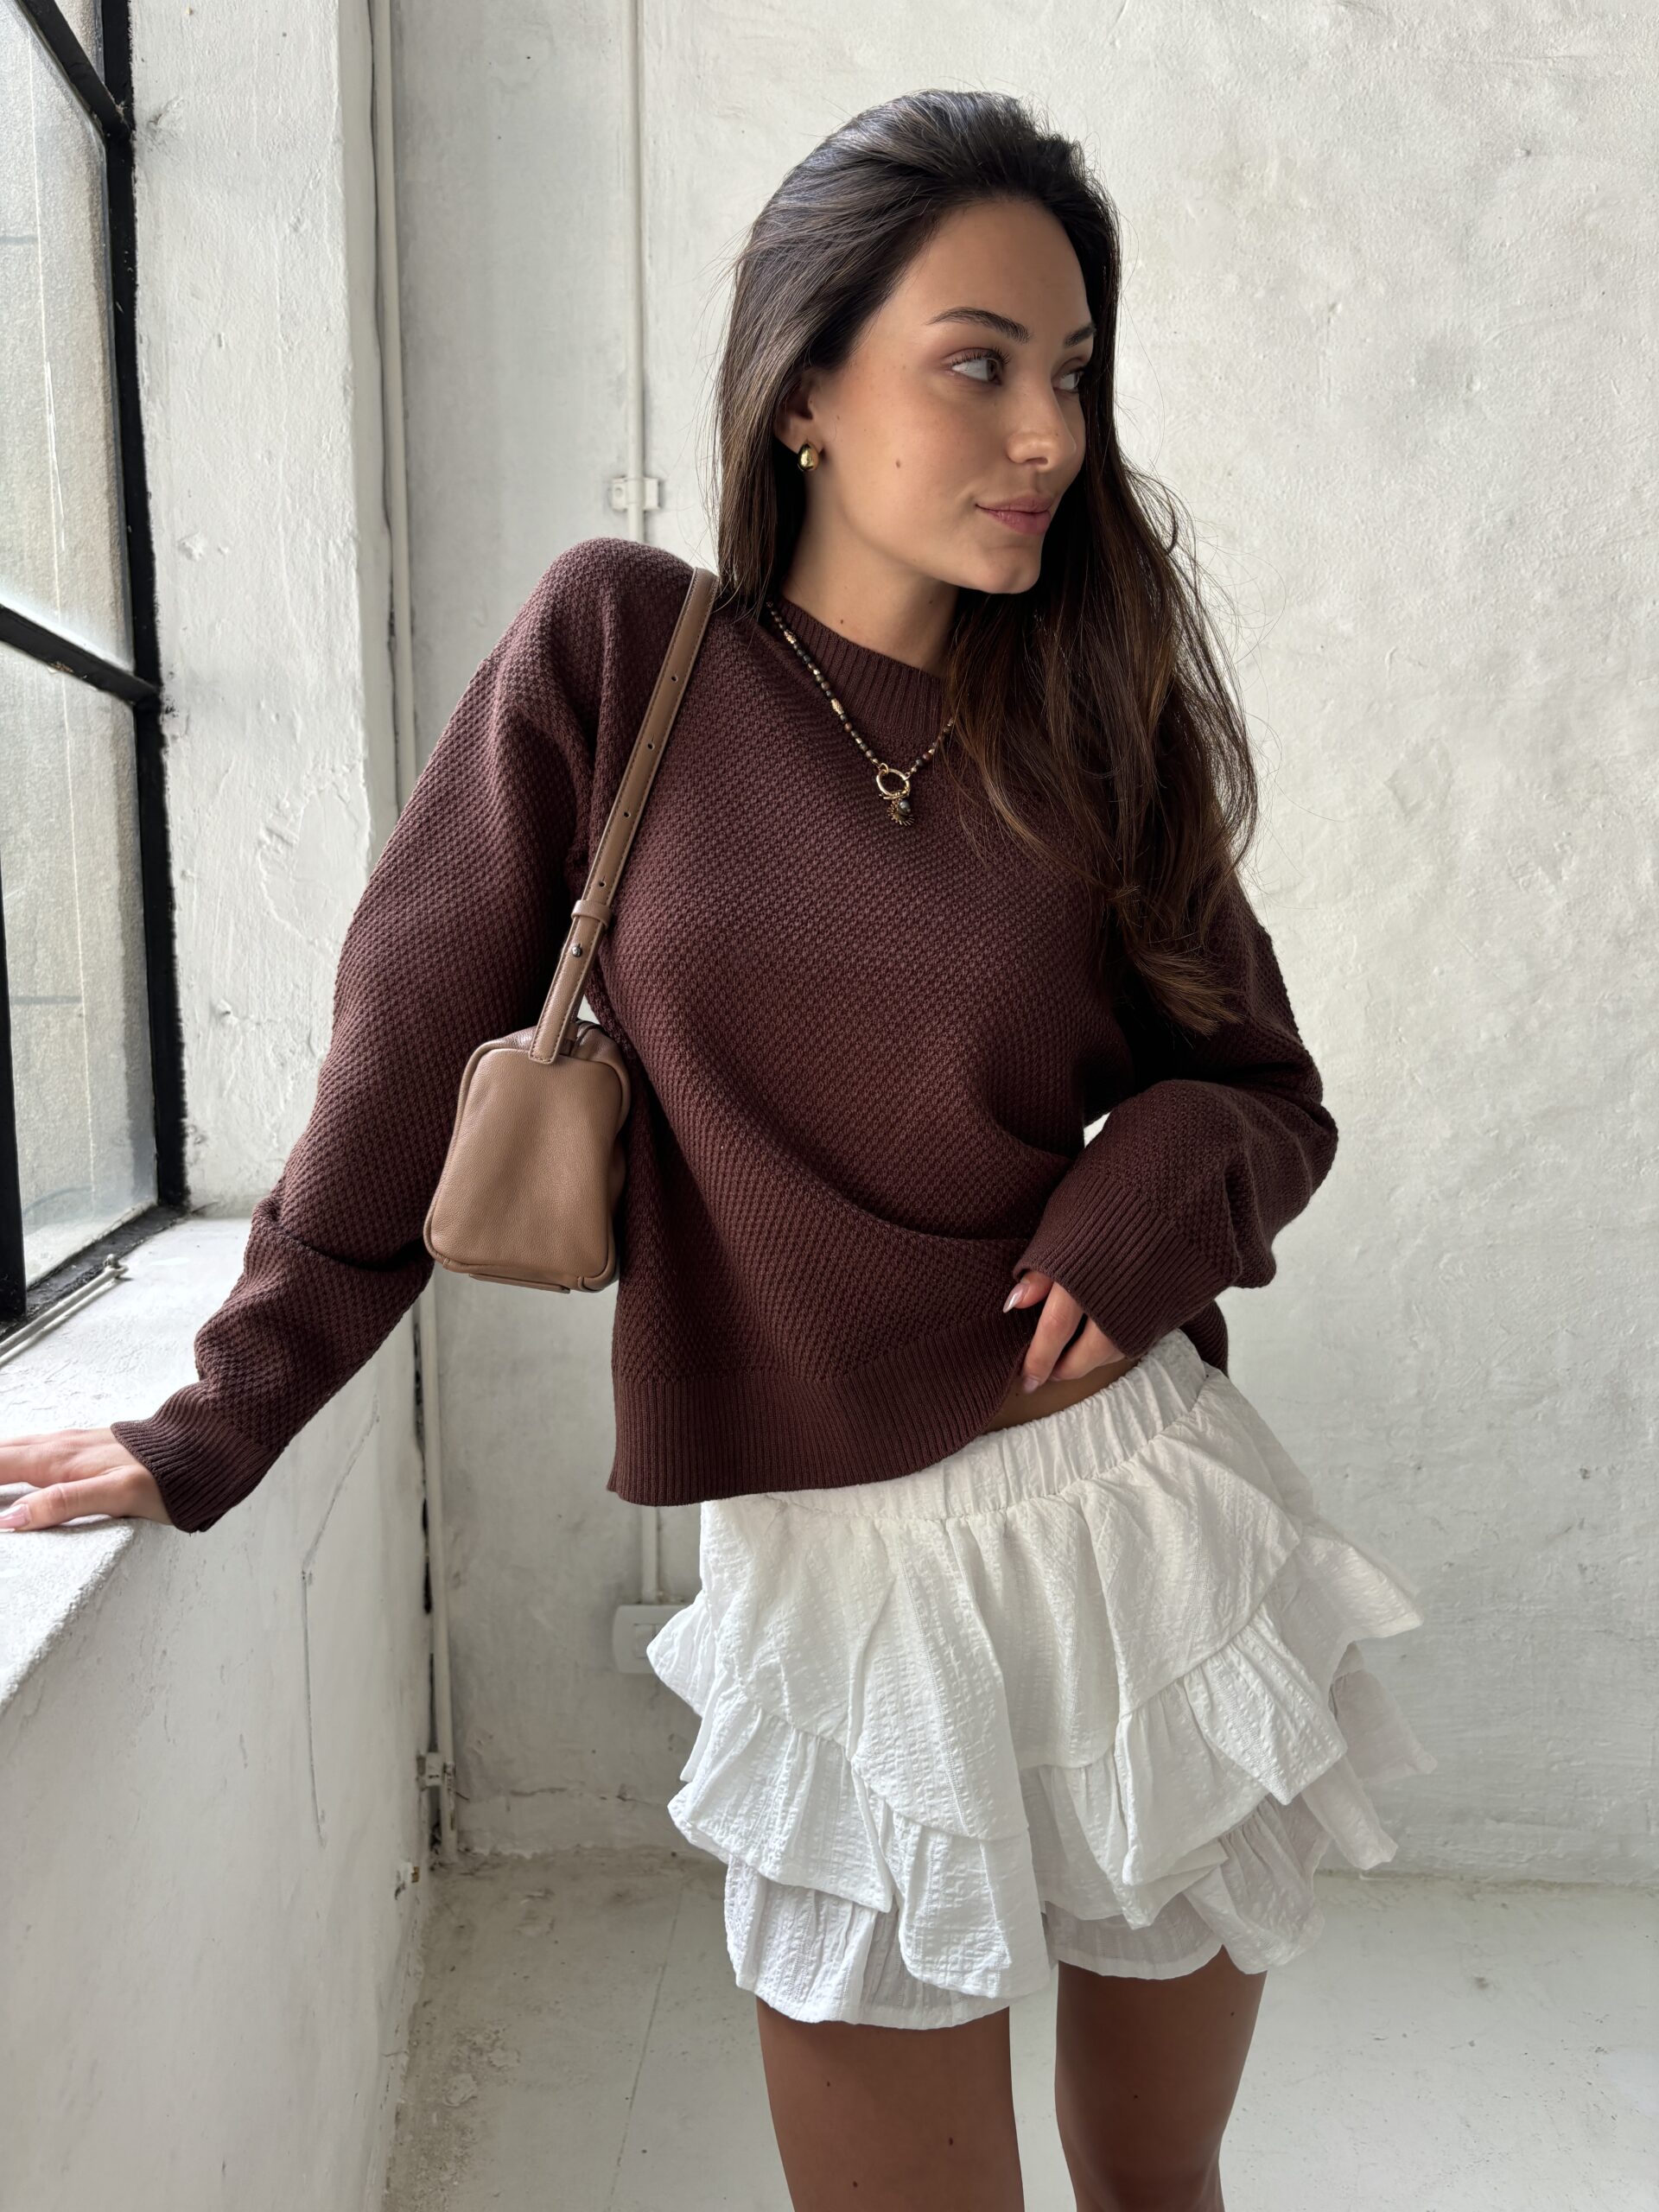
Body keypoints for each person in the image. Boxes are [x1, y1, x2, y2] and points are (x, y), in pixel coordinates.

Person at [0, 89, 1434, 2212]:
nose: (1048, 431)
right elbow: (399, 1063)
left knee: (1158, 2186)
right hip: (839, 1591)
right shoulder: (619, 653)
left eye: (1073, 370)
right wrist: (211, 1418)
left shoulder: (1090, 719)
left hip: (1134, 1522)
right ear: (803, 393)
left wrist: (1153, 1185)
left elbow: (1268, 1094)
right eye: (978, 363)